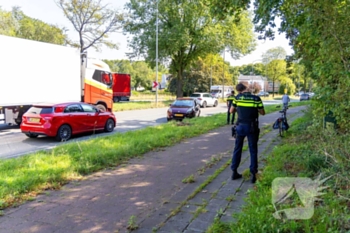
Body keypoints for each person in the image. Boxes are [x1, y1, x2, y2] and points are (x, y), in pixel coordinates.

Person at [230, 83, 265, 183]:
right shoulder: (256, 98)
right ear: (248, 88)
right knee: (253, 150)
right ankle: (253, 174)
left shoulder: (237, 98)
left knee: (237, 148)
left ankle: (234, 171)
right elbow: (262, 113)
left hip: (240, 126)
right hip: (252, 127)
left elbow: (231, 111)